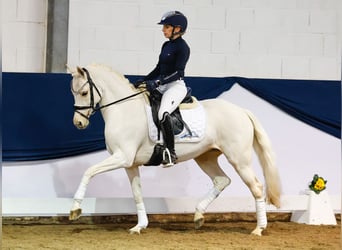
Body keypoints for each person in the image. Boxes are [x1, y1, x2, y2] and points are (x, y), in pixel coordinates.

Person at [135, 11, 190, 166]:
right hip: (162, 84)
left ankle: (171, 153)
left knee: (163, 113)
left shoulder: (183, 48)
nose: (163, 30)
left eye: (166, 27)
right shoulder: (166, 45)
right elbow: (159, 68)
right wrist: (144, 80)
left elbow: (178, 72)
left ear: (177, 29)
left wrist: (158, 82)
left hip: (175, 86)